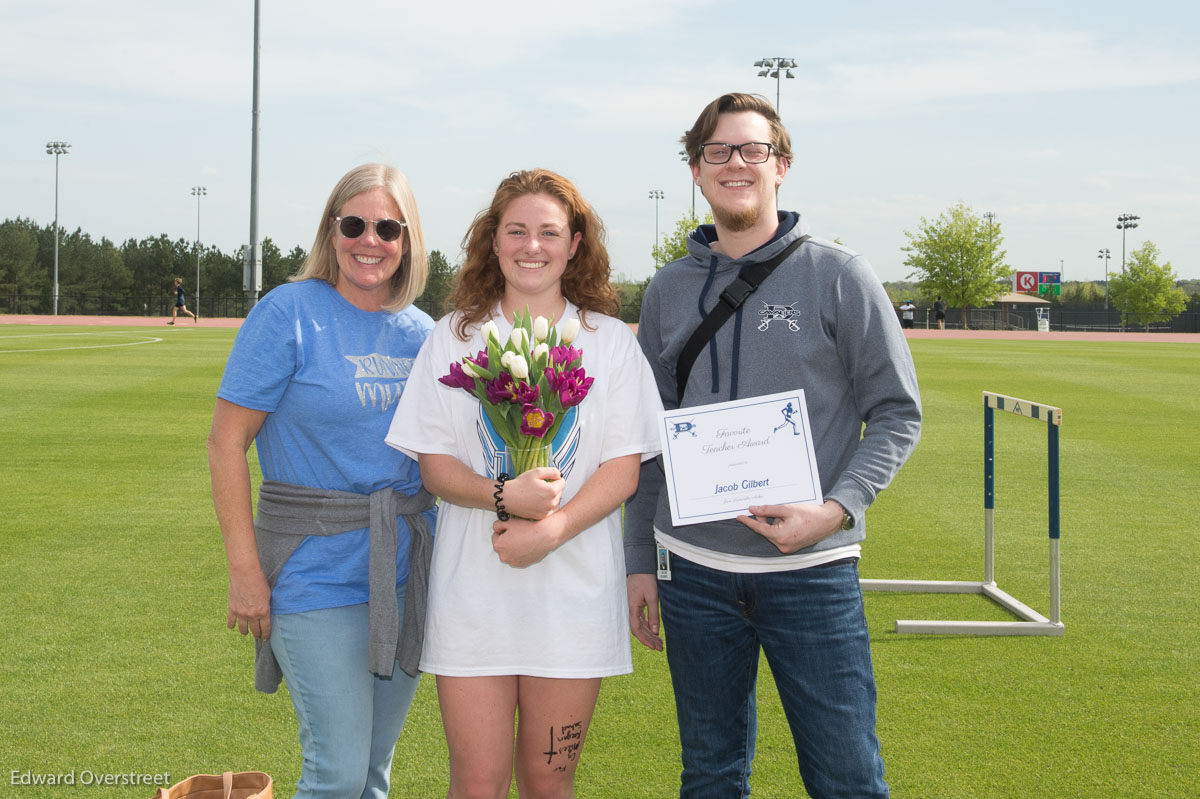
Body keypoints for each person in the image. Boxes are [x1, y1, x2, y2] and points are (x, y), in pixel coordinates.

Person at [625, 93, 922, 799]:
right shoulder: (668, 291)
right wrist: (640, 561)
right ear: (697, 171)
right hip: (692, 572)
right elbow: (648, 439)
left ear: (780, 165)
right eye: (718, 151)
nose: (736, 163)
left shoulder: (839, 274)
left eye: (752, 149)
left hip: (811, 572)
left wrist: (837, 508)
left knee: (846, 775)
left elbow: (897, 412)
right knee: (712, 775)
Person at [385, 168, 662, 799]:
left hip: (571, 602)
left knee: (548, 779)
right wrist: (505, 498)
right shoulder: (452, 337)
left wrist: (553, 529)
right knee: (476, 783)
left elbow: (622, 469)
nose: (531, 245)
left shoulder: (611, 342)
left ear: (574, 245)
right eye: (515, 231)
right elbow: (435, 465)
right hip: (472, 600)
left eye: (548, 232)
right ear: (492, 242)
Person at [208, 163, 436, 799]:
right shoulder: (287, 313)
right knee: (335, 773)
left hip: (402, 571)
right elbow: (226, 443)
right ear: (331, 230)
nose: (371, 240)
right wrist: (246, 571)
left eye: (387, 227)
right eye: (355, 224)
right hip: (313, 572)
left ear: (408, 239)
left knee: (370, 772)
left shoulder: (424, 333)